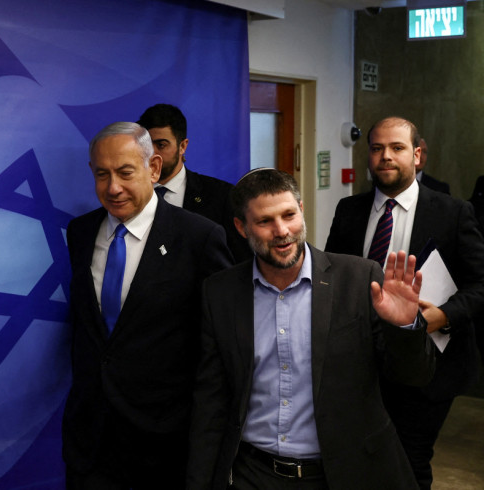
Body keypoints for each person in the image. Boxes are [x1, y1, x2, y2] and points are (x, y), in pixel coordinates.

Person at [187, 168, 435, 490]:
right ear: (240, 226)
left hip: (346, 473)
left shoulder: (358, 279)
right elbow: (211, 401)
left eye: (289, 215)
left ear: (301, 210)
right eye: (264, 221)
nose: (282, 231)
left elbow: (413, 376)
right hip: (254, 474)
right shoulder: (220, 293)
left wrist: (404, 325)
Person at [63, 121, 233, 489]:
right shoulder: (79, 232)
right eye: (101, 175)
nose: (113, 188)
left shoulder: (199, 237)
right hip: (90, 441)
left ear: (154, 168)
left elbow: (222, 340)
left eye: (125, 173)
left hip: (165, 444)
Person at [325, 116, 484, 489]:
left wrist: (440, 316)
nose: (385, 157)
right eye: (377, 148)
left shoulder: (453, 212)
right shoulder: (349, 211)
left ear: (417, 155)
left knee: (409, 460)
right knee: (364, 457)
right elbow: (332, 277)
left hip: (429, 362)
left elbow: (480, 284)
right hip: (362, 360)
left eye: (396, 148)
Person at [137, 103, 252, 263]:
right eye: (148, 146)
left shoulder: (222, 196)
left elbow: (240, 261)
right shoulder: (130, 195)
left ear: (182, 146)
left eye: (161, 145)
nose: (153, 154)